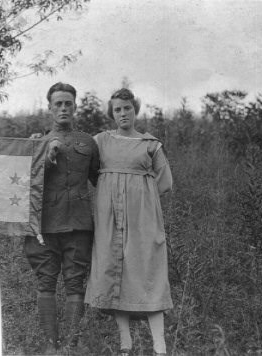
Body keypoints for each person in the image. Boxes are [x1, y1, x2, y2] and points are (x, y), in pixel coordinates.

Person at [85, 88, 173, 356]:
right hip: (109, 217)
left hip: (142, 220)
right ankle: (126, 344)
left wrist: (141, 198)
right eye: (118, 110)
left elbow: (166, 181)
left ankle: (160, 346)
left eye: (128, 108)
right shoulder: (100, 141)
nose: (123, 113)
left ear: (136, 110)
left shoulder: (149, 143)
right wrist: (108, 195)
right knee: (116, 272)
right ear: (111, 114)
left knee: (147, 271)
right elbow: (88, 170)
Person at [25, 82, 99, 354]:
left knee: (75, 282)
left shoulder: (88, 142)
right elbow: (23, 182)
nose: (64, 108)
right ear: (50, 108)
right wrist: (43, 154)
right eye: (58, 103)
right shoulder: (35, 144)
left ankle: (71, 344)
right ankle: (49, 345)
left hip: (79, 224)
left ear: (75, 106)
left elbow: (101, 180)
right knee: (46, 281)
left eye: (68, 103)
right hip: (44, 225)